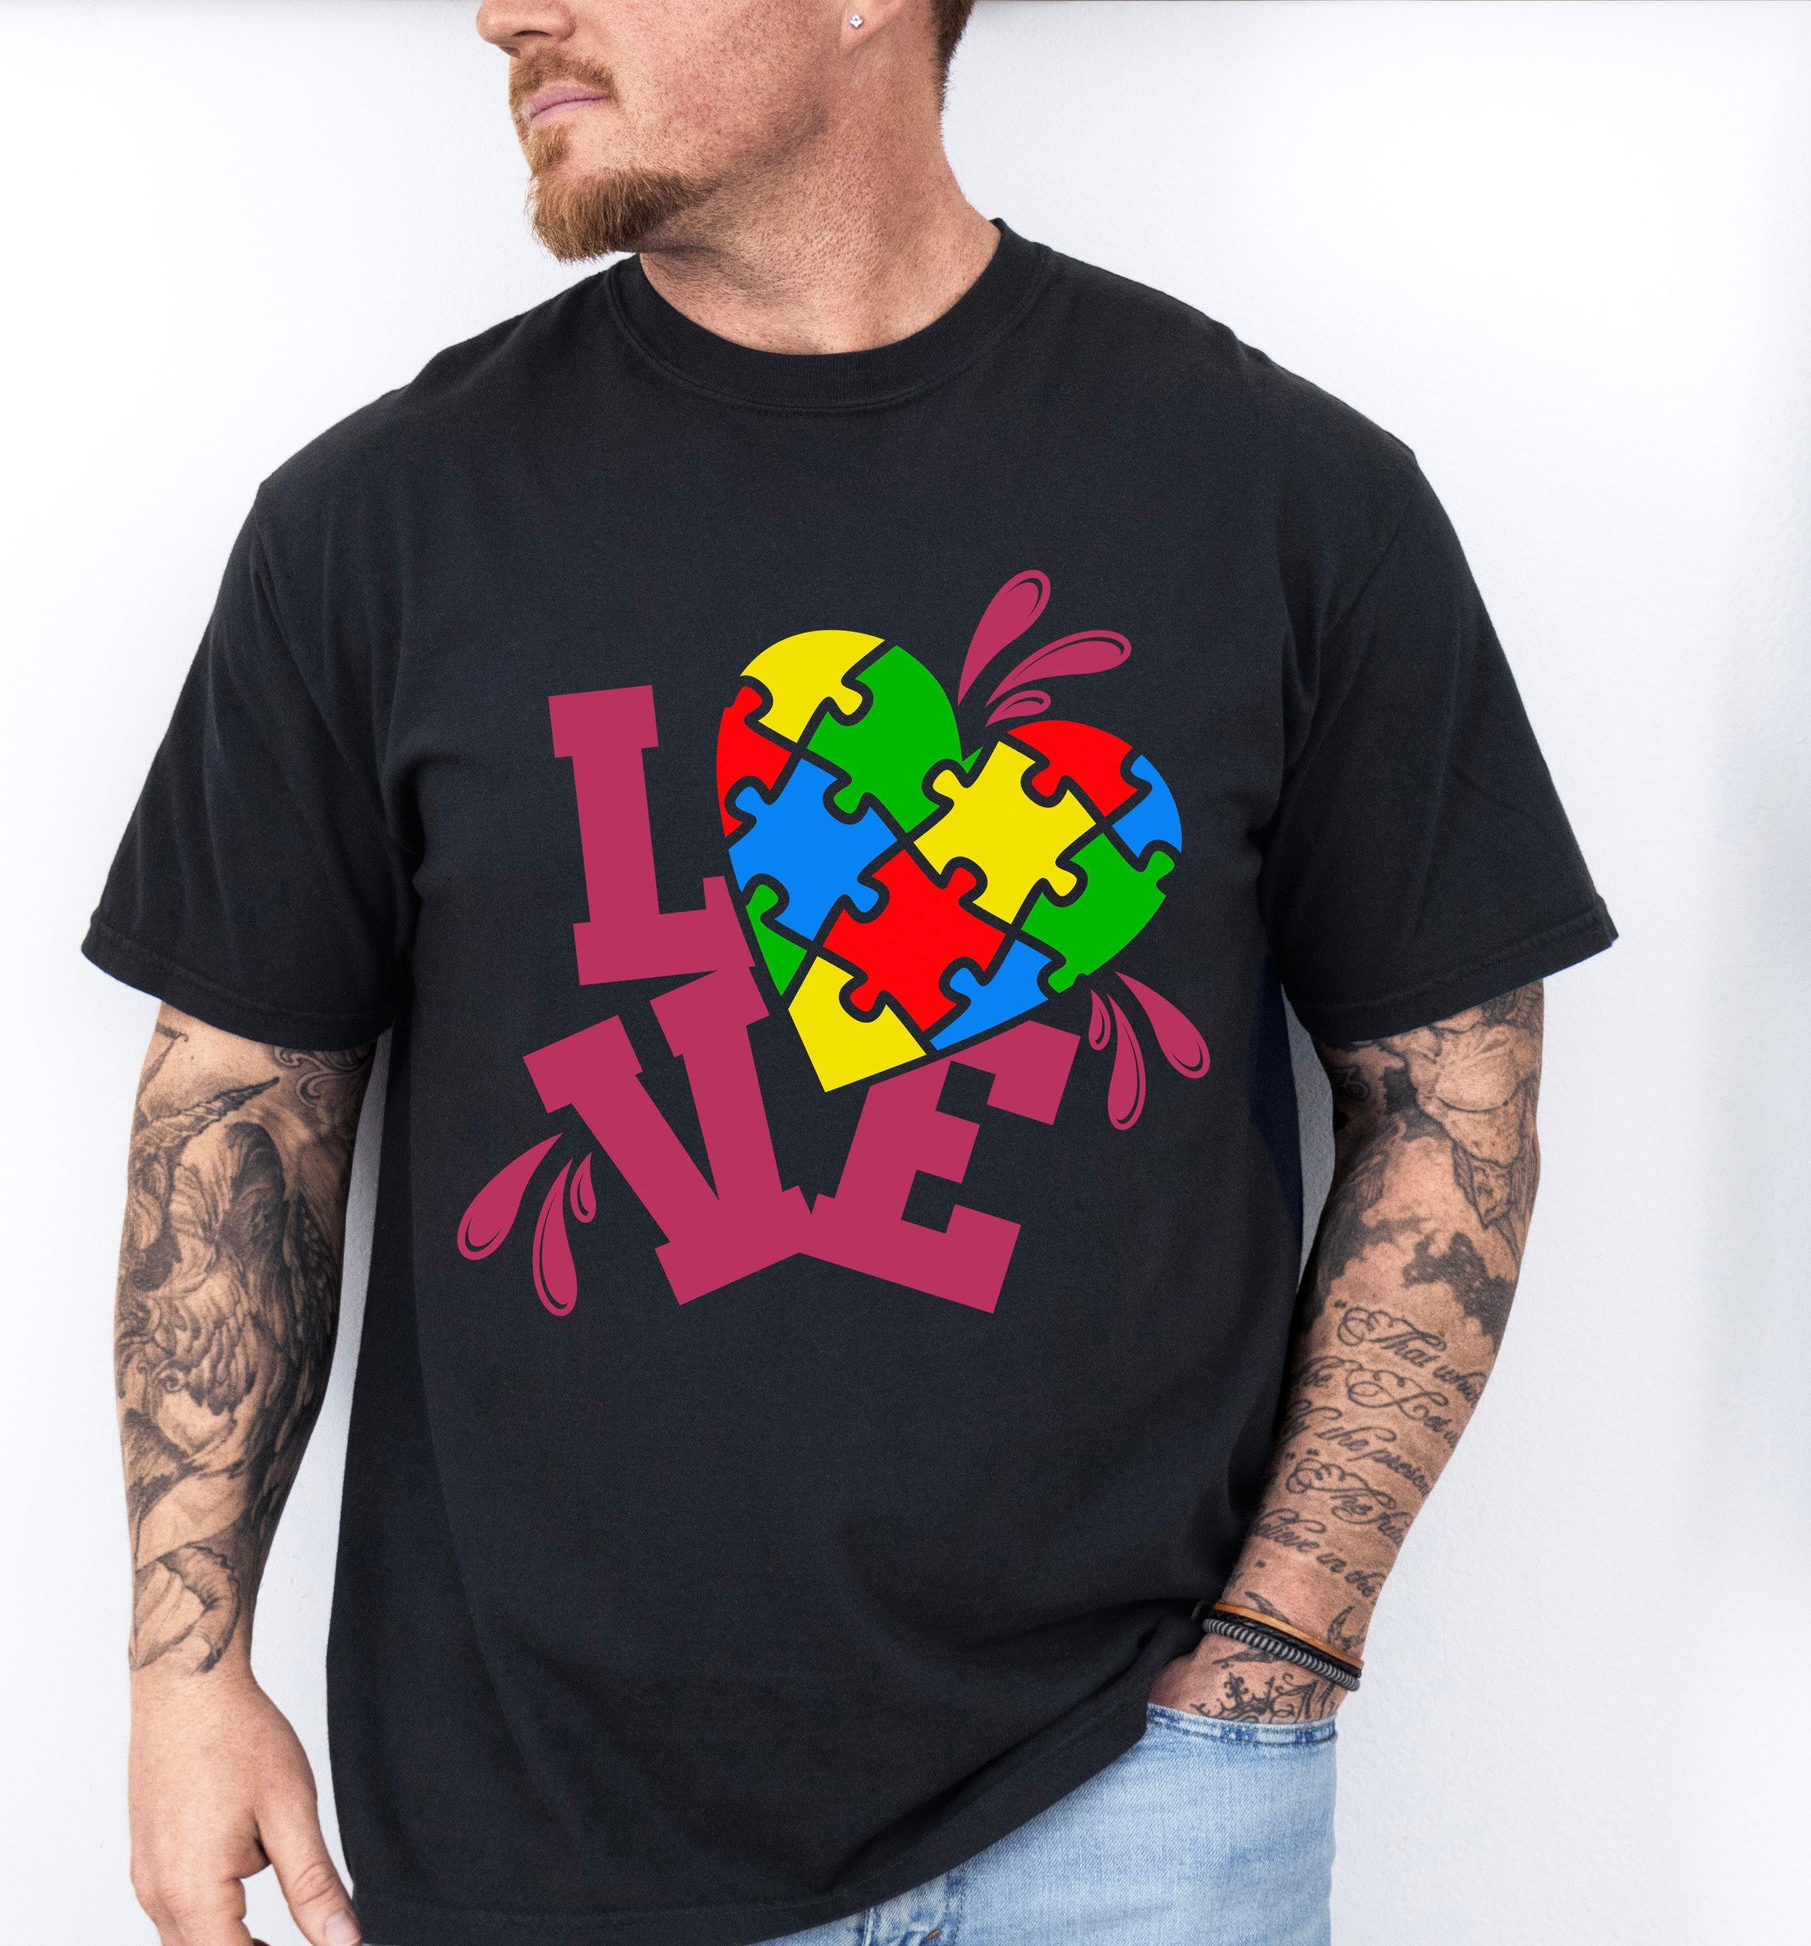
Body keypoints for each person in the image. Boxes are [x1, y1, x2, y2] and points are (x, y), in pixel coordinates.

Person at [91, 1, 1616, 1942]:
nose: (504, 12)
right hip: (538, 1835)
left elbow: (1451, 1087)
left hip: (1128, 1823)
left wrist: (1278, 1646)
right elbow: (240, 1103)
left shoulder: (1285, 497)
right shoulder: (375, 527)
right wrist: (185, 1665)